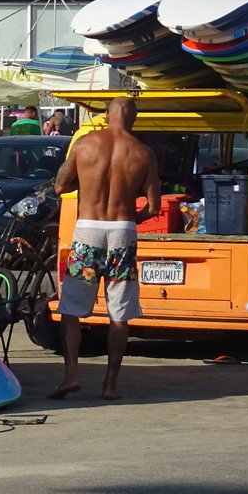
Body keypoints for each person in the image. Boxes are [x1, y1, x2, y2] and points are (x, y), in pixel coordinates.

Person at [49, 95, 160, 401]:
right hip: (123, 234)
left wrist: (84, 182)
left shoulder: (85, 143)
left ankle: (71, 376)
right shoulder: (143, 152)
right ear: (132, 119)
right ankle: (110, 385)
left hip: (88, 233)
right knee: (119, 314)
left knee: (71, 309)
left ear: (107, 114)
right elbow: (153, 207)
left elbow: (60, 186)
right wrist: (128, 217)